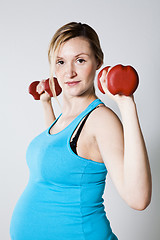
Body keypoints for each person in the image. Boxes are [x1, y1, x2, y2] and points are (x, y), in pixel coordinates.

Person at [10, 22, 152, 240]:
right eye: (60, 62)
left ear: (98, 63)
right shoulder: (64, 119)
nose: (69, 72)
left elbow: (138, 198)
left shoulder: (99, 119)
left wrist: (126, 104)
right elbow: (57, 155)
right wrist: (46, 103)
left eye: (80, 60)